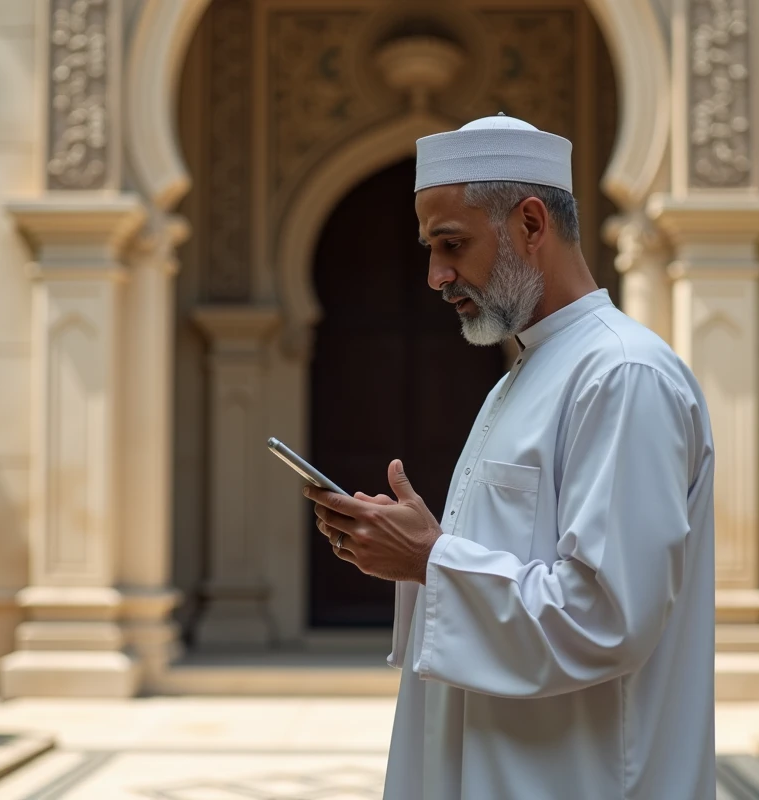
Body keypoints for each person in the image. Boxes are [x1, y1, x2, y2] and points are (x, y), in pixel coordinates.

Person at [304, 114, 717, 799]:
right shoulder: (522, 378)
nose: (436, 275)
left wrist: (430, 559)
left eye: (453, 244)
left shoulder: (621, 374)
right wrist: (412, 553)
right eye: (430, 249)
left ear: (531, 224)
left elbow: (607, 616)